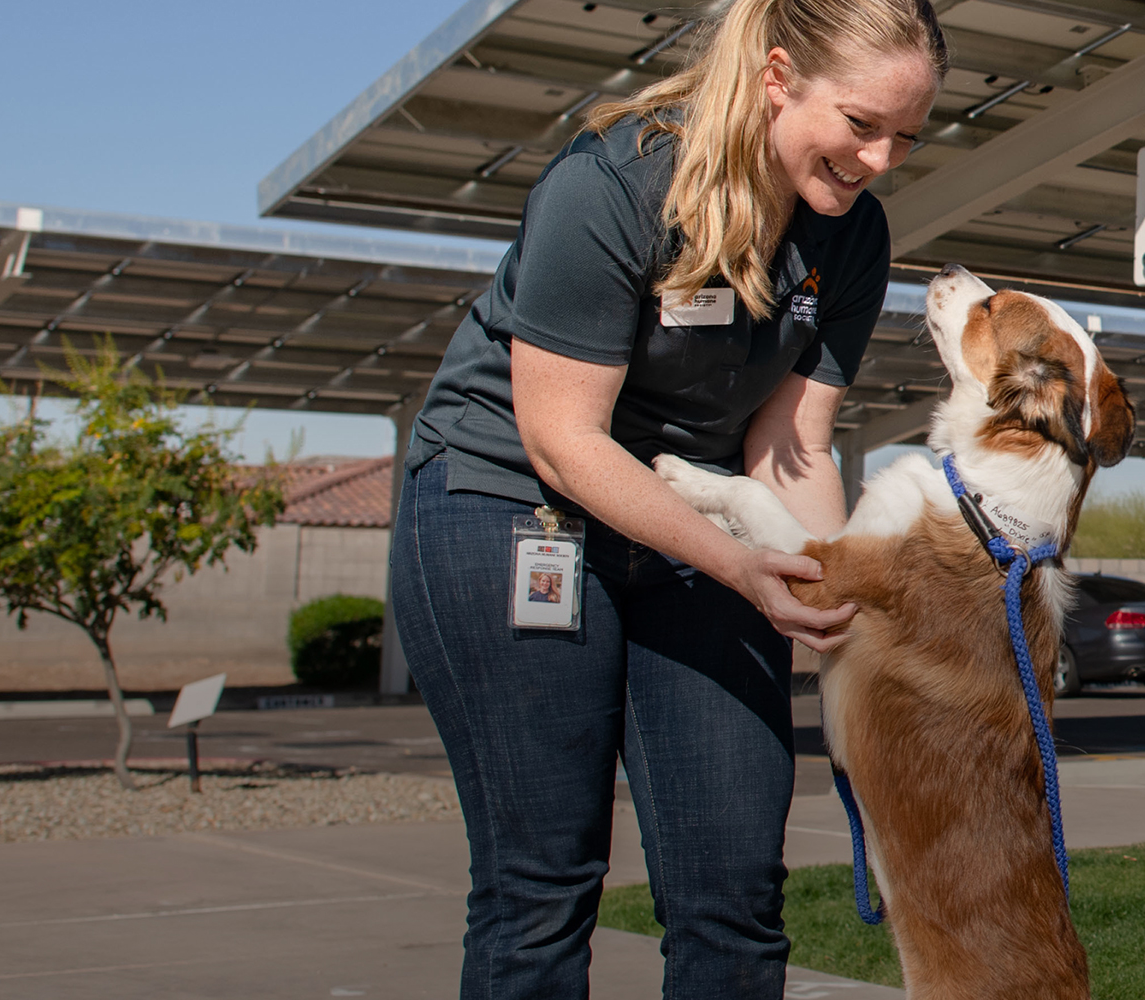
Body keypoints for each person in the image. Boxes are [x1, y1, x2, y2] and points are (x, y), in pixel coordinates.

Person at [389, 0, 946, 995]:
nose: (880, 159)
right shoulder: (613, 181)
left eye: (905, 134)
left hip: (700, 516)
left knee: (732, 887)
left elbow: (788, 444)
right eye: (861, 124)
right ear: (778, 77)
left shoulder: (851, 239)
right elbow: (563, 441)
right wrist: (736, 560)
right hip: (518, 499)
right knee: (542, 884)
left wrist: (838, 595)